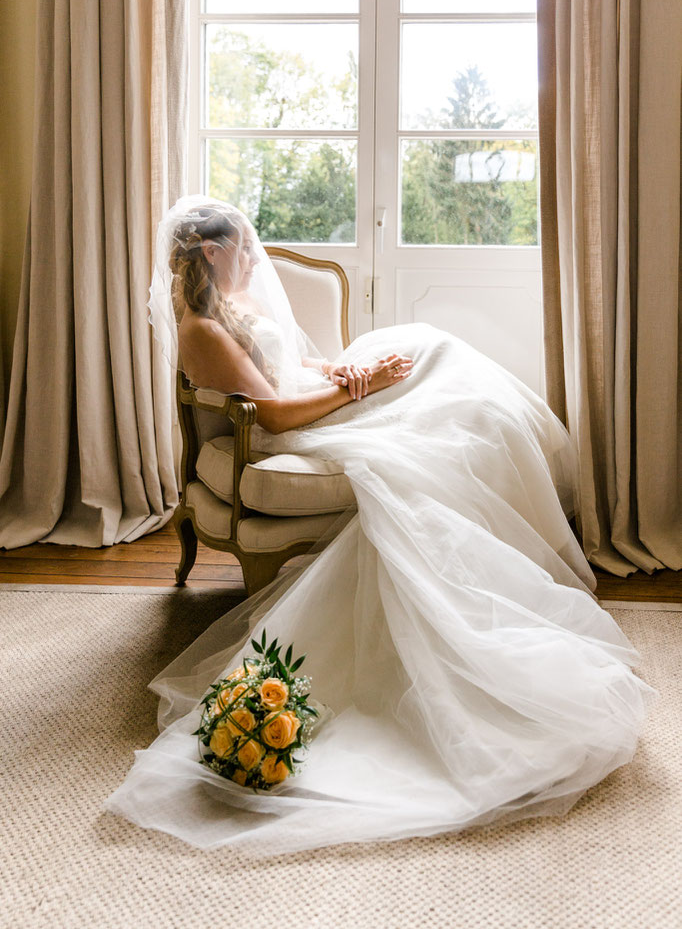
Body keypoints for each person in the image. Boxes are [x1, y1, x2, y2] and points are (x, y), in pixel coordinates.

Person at [105, 196, 657, 854]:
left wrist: (337, 369)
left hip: (320, 405)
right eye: (245, 248)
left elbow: (281, 371)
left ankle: (513, 521)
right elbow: (275, 415)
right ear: (214, 253)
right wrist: (360, 388)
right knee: (448, 395)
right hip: (299, 433)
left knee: (445, 369)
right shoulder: (198, 327)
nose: (255, 259)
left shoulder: (228, 307)